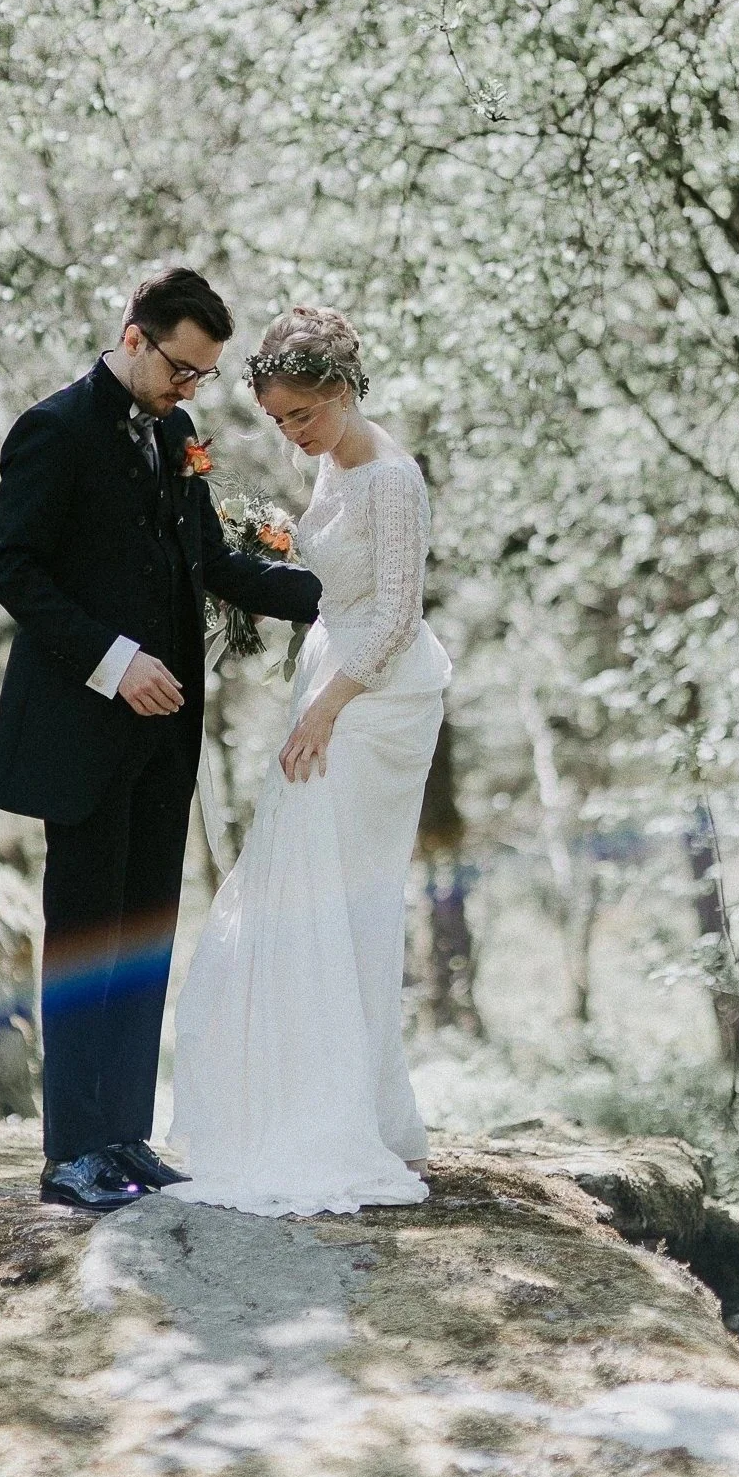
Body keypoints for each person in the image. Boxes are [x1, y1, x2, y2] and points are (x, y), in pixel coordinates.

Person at [0, 267, 322, 1213]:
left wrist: (336, 591)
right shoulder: (50, 430)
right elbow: (14, 567)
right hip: (83, 736)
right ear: (134, 337)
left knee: (142, 938)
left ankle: (124, 1138)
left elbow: (209, 560)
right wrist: (114, 661)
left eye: (204, 375)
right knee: (85, 940)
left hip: (166, 741)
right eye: (182, 367)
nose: (189, 389)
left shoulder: (174, 434)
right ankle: (69, 1156)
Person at [167, 304, 452, 1216]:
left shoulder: (392, 480)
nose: (291, 434)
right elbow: (338, 577)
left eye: (302, 416)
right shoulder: (332, 458)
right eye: (277, 420)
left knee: (334, 896)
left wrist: (329, 708)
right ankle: (308, 1098)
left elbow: (400, 614)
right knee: (305, 888)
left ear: (341, 390)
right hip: (334, 679)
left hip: (374, 700)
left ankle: (333, 1116)